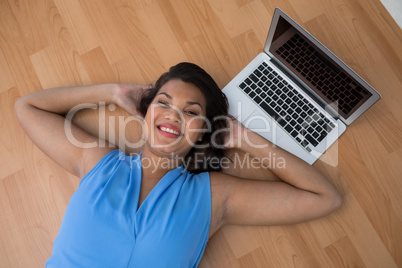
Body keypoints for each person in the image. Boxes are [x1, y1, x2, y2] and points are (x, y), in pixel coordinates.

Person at [15, 62, 342, 267]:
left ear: (203, 131)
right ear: (146, 111)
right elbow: (27, 107)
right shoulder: (98, 163)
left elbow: (324, 198)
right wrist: (114, 92)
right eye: (164, 103)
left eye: (191, 112)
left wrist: (243, 138)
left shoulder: (213, 196)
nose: (173, 115)